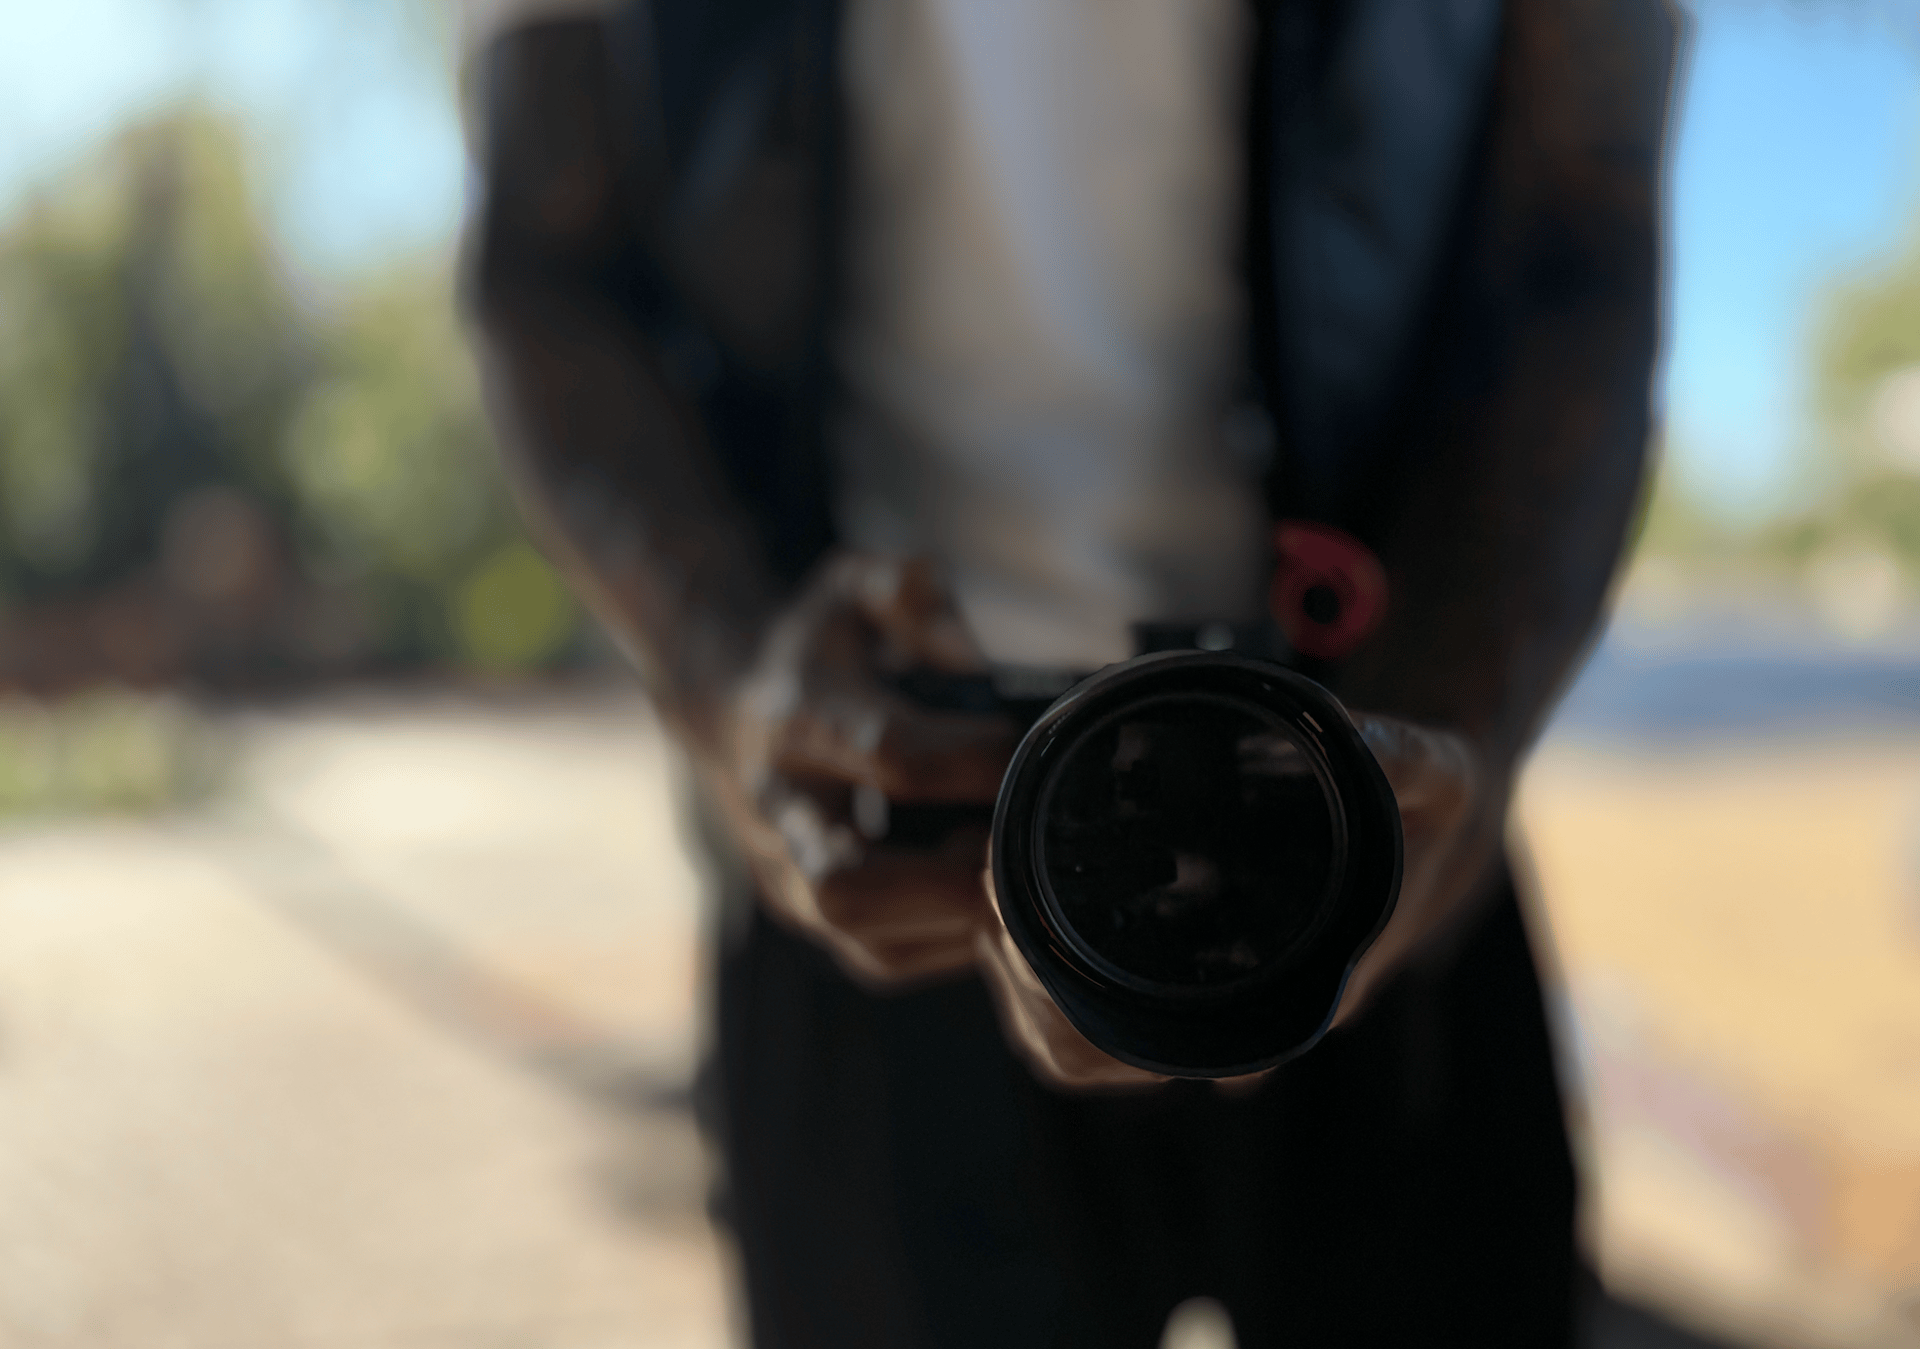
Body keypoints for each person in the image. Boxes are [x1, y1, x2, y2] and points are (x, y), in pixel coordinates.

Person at [465, 0, 1676, 1343]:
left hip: (1380, 784)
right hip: (870, 831)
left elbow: (1580, 234)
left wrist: (1462, 724)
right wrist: (730, 675)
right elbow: (545, 267)